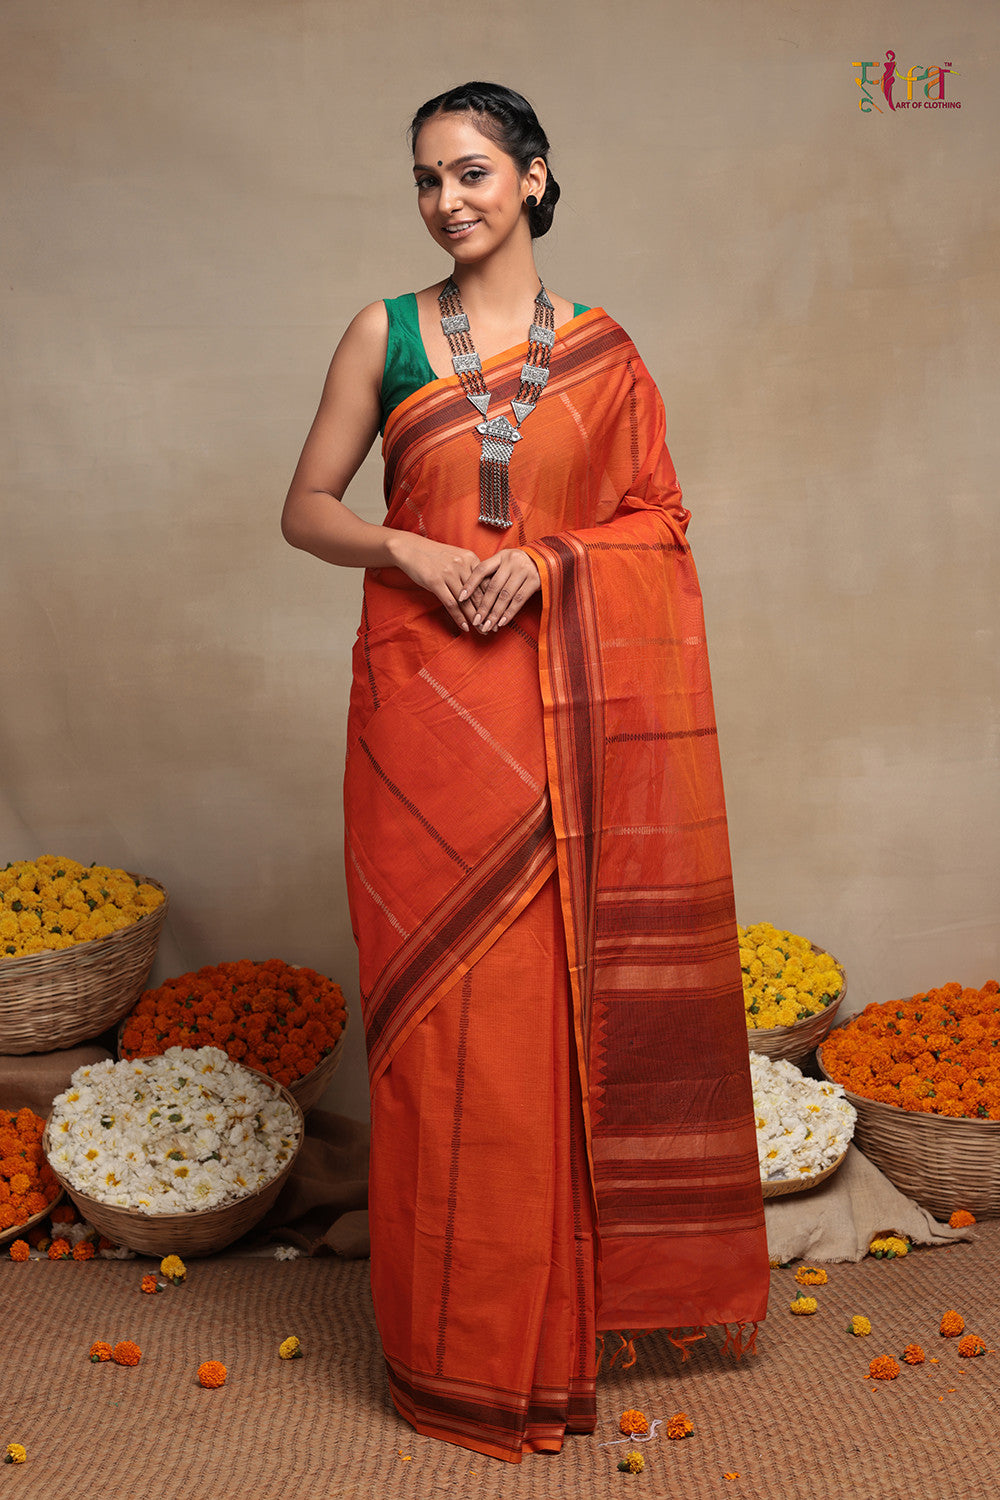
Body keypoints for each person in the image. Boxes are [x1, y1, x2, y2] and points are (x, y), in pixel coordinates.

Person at [282, 81, 769, 1464]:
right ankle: (451, 1357)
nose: (448, 200)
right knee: (442, 1033)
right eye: (427, 178)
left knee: (543, 1025)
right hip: (422, 720)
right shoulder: (382, 335)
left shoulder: (605, 353)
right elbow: (305, 508)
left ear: (536, 179)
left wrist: (551, 562)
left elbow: (658, 522)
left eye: (474, 172)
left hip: (563, 718)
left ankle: (551, 1340)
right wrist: (404, 546)